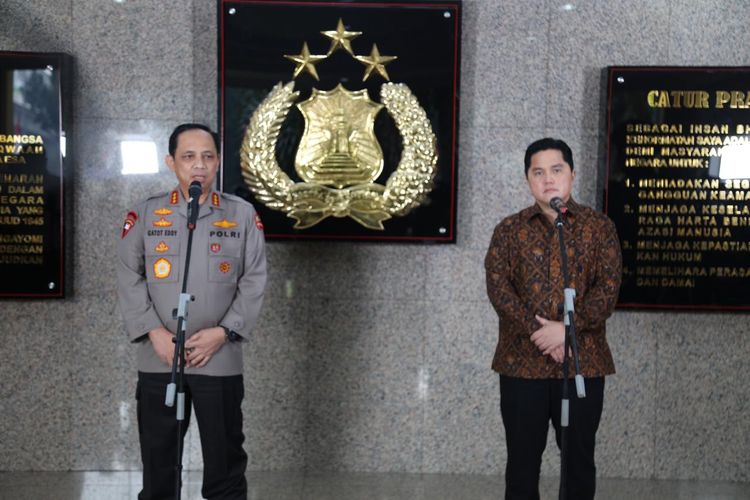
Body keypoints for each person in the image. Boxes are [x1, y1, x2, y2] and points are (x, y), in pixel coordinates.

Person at [117, 123, 267, 500]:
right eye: (188, 157)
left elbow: (254, 280)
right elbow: (128, 275)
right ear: (171, 162)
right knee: (159, 463)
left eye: (207, 156)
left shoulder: (243, 215)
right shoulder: (146, 214)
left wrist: (224, 332)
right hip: (160, 357)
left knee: (225, 462)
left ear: (218, 162)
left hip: (218, 358)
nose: (198, 165)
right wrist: (154, 332)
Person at [484, 138, 622, 500]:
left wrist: (567, 331)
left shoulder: (599, 228)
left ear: (572, 174)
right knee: (521, 464)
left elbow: (607, 291)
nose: (548, 180)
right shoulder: (508, 231)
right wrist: (540, 333)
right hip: (521, 366)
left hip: (582, 365)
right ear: (528, 179)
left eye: (556, 170)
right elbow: (499, 290)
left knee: (578, 462)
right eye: (538, 172)